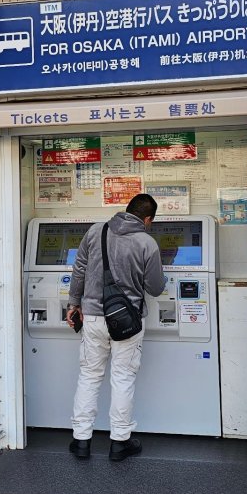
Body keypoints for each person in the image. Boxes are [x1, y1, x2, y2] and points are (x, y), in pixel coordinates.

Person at [65, 193, 166, 462]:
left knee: (89, 376)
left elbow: (79, 269)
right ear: (147, 219)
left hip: (94, 318)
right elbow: (156, 288)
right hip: (127, 321)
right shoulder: (147, 242)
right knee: (122, 378)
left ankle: (81, 440)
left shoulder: (96, 231)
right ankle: (120, 442)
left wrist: (74, 303)